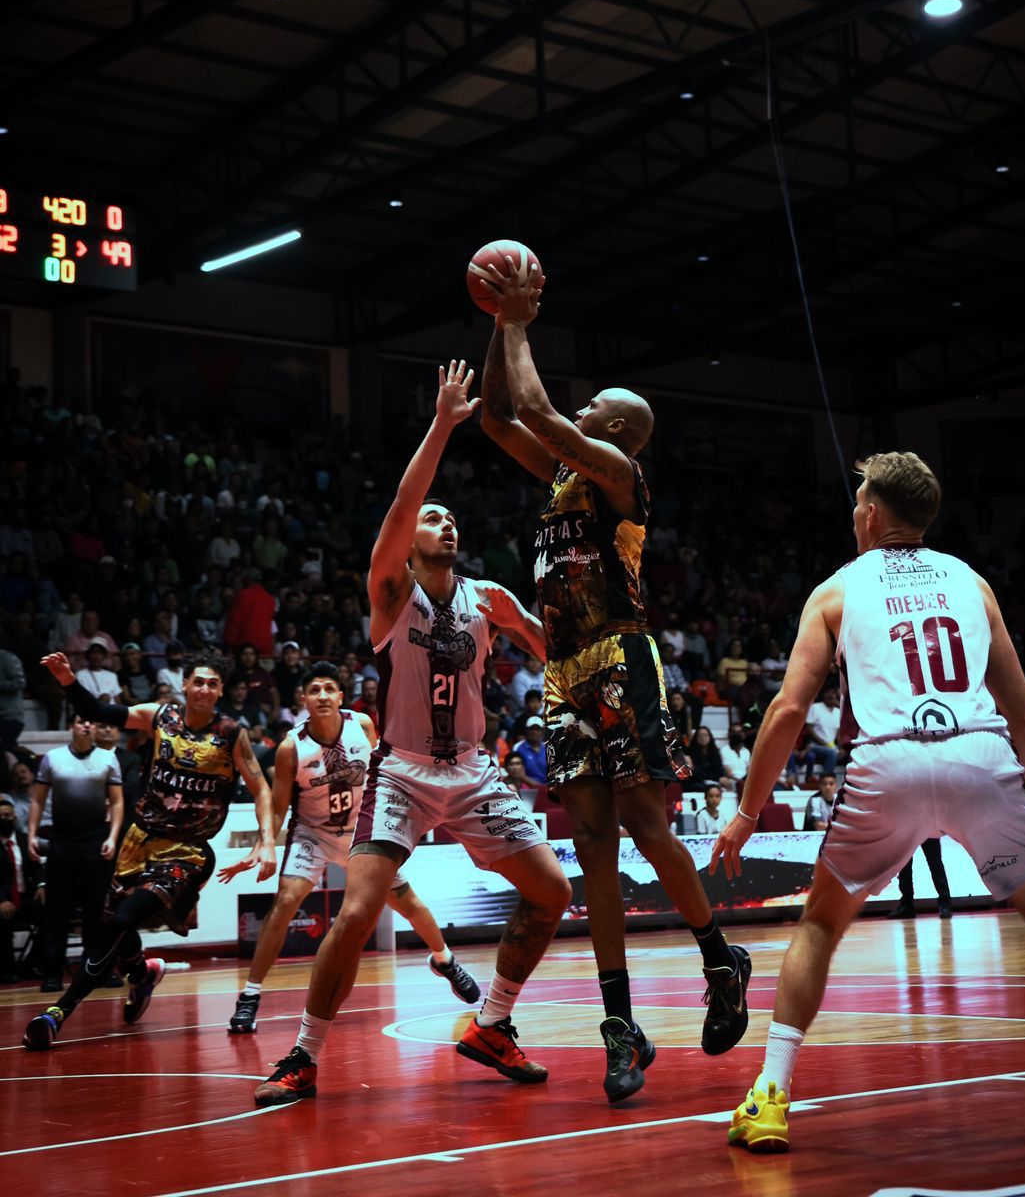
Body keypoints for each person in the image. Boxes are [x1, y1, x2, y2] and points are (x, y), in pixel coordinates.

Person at [713, 451, 1025, 1155]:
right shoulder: (972, 581)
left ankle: (771, 1098)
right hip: (978, 751)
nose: (853, 514)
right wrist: (1015, 798)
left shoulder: (836, 590)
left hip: (889, 760)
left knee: (819, 926)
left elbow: (788, 710)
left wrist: (748, 812)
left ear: (871, 513)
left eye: (856, 504)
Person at [254, 361, 570, 1107]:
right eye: (435, 518)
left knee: (552, 893)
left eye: (452, 518)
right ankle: (304, 1054)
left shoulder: (487, 598)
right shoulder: (391, 592)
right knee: (359, 909)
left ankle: (492, 1023)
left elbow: (550, 651)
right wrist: (443, 423)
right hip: (398, 774)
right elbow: (402, 503)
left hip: (472, 770)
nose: (445, 522)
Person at [479, 269, 749, 1105]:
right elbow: (497, 417)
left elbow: (538, 416)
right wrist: (498, 320)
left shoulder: (618, 473)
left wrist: (521, 322)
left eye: (594, 402)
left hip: (619, 657)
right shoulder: (565, 477)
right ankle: (621, 1026)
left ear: (619, 427)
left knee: (640, 818)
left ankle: (717, 954)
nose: (582, 406)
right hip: (562, 672)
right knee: (592, 845)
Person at [23, 651, 274, 1050]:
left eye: (212, 683)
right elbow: (98, 709)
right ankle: (142, 974)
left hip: (186, 851)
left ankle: (58, 1013)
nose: (204, 689)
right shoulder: (159, 716)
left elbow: (261, 787)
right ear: (185, 686)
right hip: (138, 842)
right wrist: (67, 679)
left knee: (121, 918)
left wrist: (266, 841)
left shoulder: (229, 733)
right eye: (198, 682)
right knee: (115, 927)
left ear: (220, 690)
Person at [228, 661, 479, 1034]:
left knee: (410, 904)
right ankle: (249, 996)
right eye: (315, 690)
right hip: (313, 833)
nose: (323, 696)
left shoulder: (362, 725)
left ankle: (444, 960)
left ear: (341, 695)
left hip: (363, 832)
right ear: (303, 700)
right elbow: (279, 806)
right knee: (284, 903)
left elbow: (386, 772)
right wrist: (265, 844)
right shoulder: (290, 748)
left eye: (330, 689)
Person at [28, 713, 124, 992]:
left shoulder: (108, 759)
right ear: (71, 727)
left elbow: (117, 803)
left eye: (90, 722)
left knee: (98, 910)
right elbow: (37, 799)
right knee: (57, 910)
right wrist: (32, 834)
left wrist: (112, 837)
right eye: (81, 721)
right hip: (63, 840)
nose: (86, 725)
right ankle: (52, 974)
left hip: (95, 839)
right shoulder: (53, 758)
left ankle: (96, 971)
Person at [1, 795, 42, 982]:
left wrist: (42, 885)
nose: (6, 820)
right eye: (1, 816)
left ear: (15, 817)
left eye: (9, 816)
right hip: (3, 900)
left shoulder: (25, 840)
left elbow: (37, 866)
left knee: (54, 916)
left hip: (25, 898)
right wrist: (1, 900)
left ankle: (31, 963)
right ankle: (7, 969)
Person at [891, 838, 953, 919]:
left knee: (934, 862)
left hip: (926, 828)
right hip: (910, 827)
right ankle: (907, 905)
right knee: (905, 864)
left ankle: (945, 904)